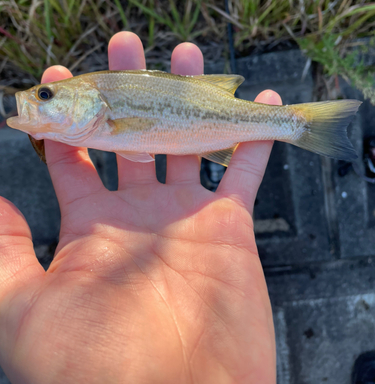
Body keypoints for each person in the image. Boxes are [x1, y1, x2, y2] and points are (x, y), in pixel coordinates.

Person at [0, 32, 281, 383]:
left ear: (93, 102)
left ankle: (296, 124)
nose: (34, 100)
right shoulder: (95, 121)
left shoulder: (104, 117)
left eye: (45, 96)